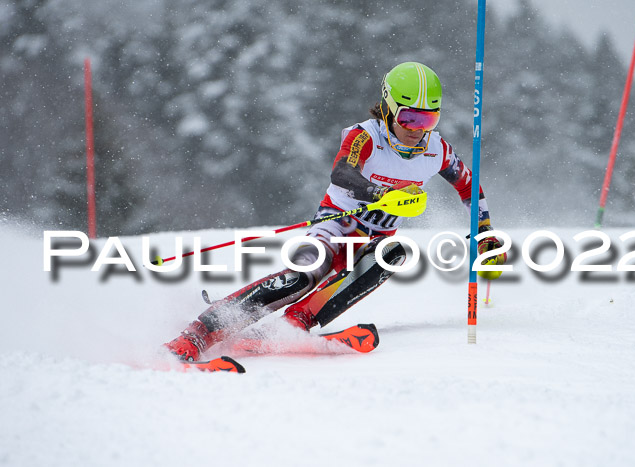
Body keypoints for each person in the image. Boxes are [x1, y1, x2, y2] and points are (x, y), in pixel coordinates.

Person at [165, 62, 506, 361]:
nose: (417, 129)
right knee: (303, 276)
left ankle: (293, 325)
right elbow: (341, 171)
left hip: (373, 240)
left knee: (392, 253)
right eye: (409, 117)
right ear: (388, 108)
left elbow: (468, 186)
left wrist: (485, 230)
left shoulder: (437, 150)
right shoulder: (366, 136)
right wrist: (378, 193)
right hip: (335, 227)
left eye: (428, 119)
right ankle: (198, 334)